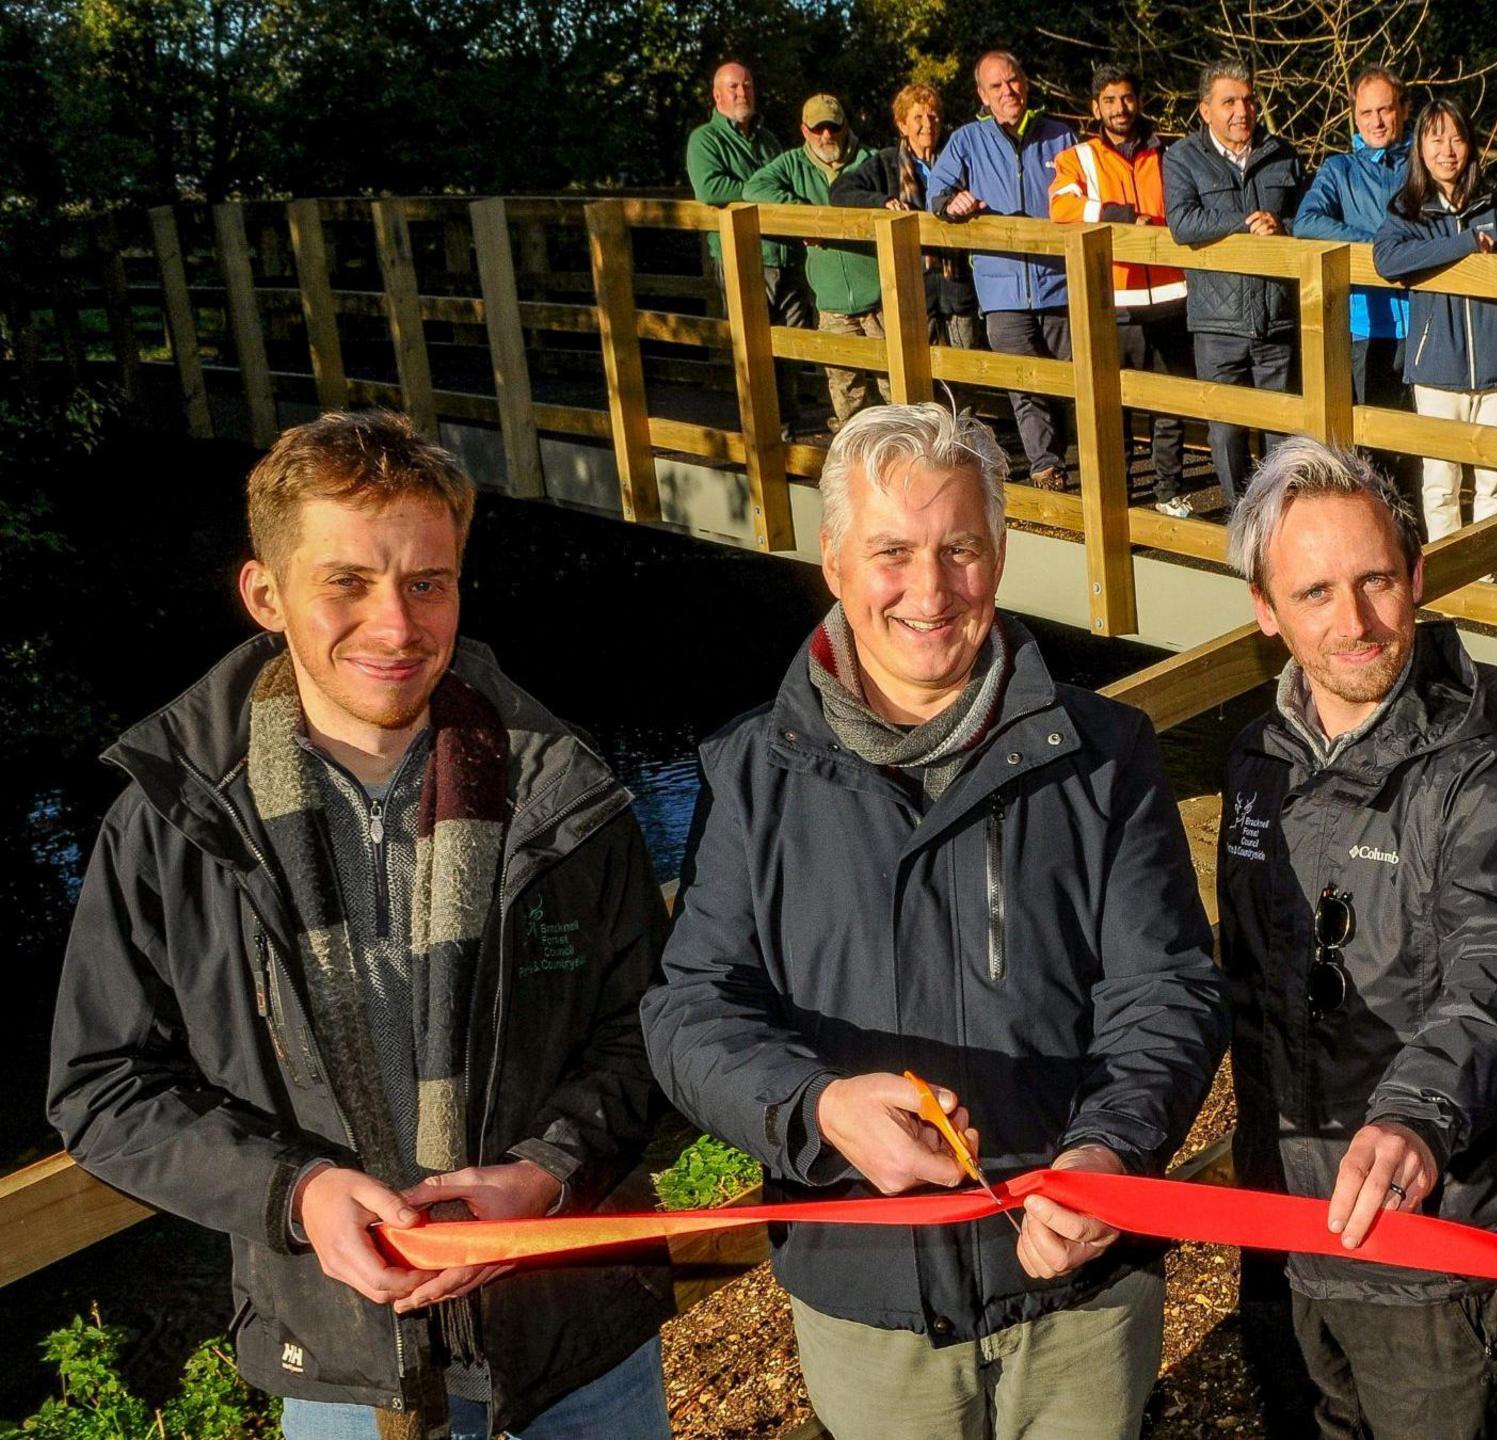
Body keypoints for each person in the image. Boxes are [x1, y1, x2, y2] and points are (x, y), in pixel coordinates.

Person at [48, 411, 673, 1440]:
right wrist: (298, 1196)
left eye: (427, 582)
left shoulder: (564, 792)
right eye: (347, 582)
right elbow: (105, 1087)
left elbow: (647, 1032)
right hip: (337, 1364)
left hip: (577, 1337)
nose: (395, 624)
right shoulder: (175, 820)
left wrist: (550, 1174)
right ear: (265, 595)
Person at [641, 403, 1228, 1440]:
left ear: (998, 553)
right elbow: (690, 1013)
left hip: (1079, 1281)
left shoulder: (1103, 753)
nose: (930, 588)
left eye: (958, 546)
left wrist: (1110, 1151)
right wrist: (816, 1109)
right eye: (891, 552)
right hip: (870, 1302)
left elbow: (1165, 992)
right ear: (831, 560)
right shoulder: (748, 774)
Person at [1219, 436, 1497, 1440]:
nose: (1356, 622)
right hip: (1281, 1225)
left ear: (1416, 576)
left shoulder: (1479, 777)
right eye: (1316, 591)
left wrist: (1420, 1113)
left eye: (1375, 581)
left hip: (1424, 1234)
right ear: (1265, 607)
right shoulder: (1255, 762)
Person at [1373, 102, 1497, 542]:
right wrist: (1462, 244)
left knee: (1495, 483)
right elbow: (1387, 260)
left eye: (1456, 138)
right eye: (1436, 138)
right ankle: (1448, 582)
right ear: (1420, 147)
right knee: (1441, 483)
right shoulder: (1409, 209)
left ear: (1470, 144)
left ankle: (1484, 582)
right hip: (1436, 371)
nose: (1447, 150)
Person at [1049, 63, 1196, 515]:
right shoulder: (1079, 157)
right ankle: (1118, 494)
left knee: (1169, 403)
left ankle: (1168, 491)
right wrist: (1113, 214)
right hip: (1114, 301)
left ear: (1140, 101)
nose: (1120, 108)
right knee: (1114, 407)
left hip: (1171, 297)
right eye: (1110, 100)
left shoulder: (1168, 153)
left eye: (1127, 97)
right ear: (1096, 107)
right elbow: (1060, 205)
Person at [931, 52, 1080, 489]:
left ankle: (1083, 458)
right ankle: (1046, 468)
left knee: (1070, 381)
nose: (1007, 92)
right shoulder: (966, 141)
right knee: (1024, 385)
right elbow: (936, 191)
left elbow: (1084, 195)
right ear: (982, 95)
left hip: (1060, 283)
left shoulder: (1060, 135)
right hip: (1001, 289)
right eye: (996, 87)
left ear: (1025, 83)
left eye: (1012, 82)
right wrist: (950, 203)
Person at [1164, 59, 1304, 511]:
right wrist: (1244, 224)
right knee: (1226, 432)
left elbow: (1309, 217)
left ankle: (1283, 522)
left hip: (1275, 314)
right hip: (1217, 320)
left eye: (1247, 100)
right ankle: (1241, 521)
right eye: (1229, 102)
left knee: (1282, 428)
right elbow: (1182, 222)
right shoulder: (1182, 158)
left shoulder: (1282, 154)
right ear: (1206, 110)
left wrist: (1282, 225)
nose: (1241, 110)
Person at [749, 93, 883, 435]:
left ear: (846, 127)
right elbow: (753, 189)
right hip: (831, 300)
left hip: (880, 294)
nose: (827, 136)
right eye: (818, 129)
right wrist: (802, 216)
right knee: (846, 390)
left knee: (894, 384)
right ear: (804, 130)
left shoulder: (870, 160)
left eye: (833, 127)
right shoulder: (793, 163)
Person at [1294, 66, 1413, 411]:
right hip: (1366, 324)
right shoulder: (1339, 170)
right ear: (1355, 119)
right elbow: (1306, 222)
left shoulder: (1426, 164)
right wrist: (1379, 246)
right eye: (1366, 113)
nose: (1376, 121)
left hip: (1425, 321)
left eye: (1385, 110)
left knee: (1424, 441)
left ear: (1403, 110)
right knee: (1368, 437)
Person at [832, 83, 982, 353]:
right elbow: (841, 191)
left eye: (933, 115)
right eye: (918, 117)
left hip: (957, 287)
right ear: (902, 125)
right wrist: (881, 202)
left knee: (966, 372)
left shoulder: (957, 157)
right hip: (911, 290)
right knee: (916, 371)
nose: (928, 124)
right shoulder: (886, 163)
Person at [686, 61, 800, 328]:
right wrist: (762, 192)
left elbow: (789, 182)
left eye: (747, 86)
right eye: (733, 87)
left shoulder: (768, 139)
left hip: (785, 254)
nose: (742, 93)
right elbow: (710, 189)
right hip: (742, 257)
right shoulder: (705, 139)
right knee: (751, 345)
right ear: (717, 95)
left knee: (795, 349)